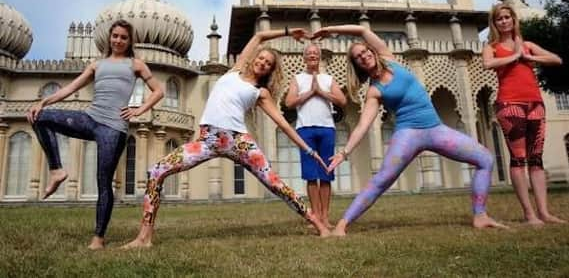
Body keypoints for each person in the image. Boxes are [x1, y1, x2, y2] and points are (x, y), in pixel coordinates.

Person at [122, 27, 330, 249]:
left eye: (268, 63)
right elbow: (258, 36)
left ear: (270, 70)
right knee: (157, 172)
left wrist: (309, 150)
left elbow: (282, 123)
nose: (263, 63)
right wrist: (288, 32)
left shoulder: (260, 92)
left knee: (275, 184)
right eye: (261, 58)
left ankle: (319, 224)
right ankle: (144, 237)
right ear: (253, 59)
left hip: (238, 142)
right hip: (207, 140)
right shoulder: (234, 70)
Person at [312, 24, 506, 236]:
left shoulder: (391, 60)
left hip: (435, 130)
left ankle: (480, 215)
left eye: (366, 51)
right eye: (359, 57)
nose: (364, 56)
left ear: (373, 51)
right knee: (382, 180)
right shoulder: (375, 91)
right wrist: (344, 152)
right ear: (357, 65)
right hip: (408, 135)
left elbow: (362, 31)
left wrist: (331, 29)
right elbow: (363, 125)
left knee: (485, 159)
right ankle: (342, 224)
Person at [27, 19, 164, 249]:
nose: (118, 40)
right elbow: (71, 88)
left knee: (103, 183)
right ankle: (57, 170)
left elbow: (159, 90)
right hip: (90, 118)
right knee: (40, 118)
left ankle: (98, 238)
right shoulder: (96, 65)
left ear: (129, 41)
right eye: (115, 36)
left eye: (123, 37)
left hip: (113, 128)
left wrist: (139, 108)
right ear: (109, 38)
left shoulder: (136, 65)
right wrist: (43, 101)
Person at [483, 3, 565, 225]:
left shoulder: (528, 46)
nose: (504, 21)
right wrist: (514, 57)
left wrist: (530, 58)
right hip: (510, 104)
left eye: (507, 17)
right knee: (518, 159)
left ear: (513, 19)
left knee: (536, 159)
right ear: (495, 23)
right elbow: (487, 63)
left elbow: (556, 59)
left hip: (535, 104)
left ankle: (544, 212)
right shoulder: (491, 46)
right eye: (499, 19)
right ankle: (529, 214)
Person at [285, 43, 346, 228]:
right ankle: (316, 217)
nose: (312, 55)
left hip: (327, 128)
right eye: (309, 53)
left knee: (326, 173)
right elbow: (289, 102)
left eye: (315, 53)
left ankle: (325, 217)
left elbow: (342, 100)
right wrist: (311, 92)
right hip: (305, 130)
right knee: (311, 175)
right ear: (304, 58)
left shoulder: (328, 79)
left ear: (319, 57)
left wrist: (322, 92)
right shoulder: (298, 79)